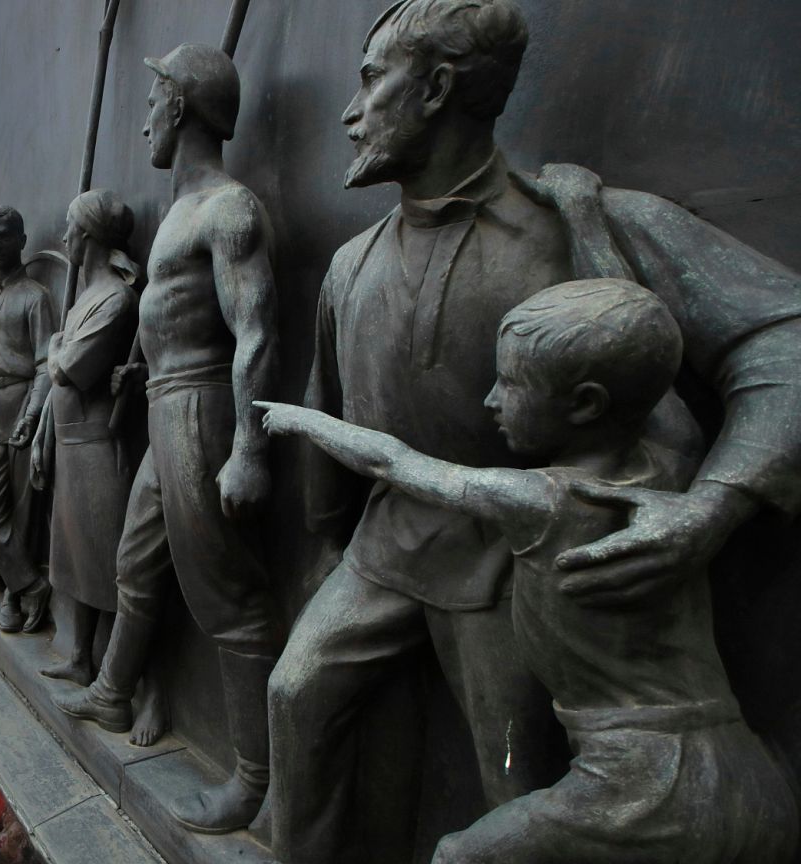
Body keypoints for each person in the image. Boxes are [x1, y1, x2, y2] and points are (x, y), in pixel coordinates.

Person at [269, 1, 801, 860]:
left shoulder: (582, 219)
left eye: (373, 78)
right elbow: (327, 413)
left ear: (439, 86)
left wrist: (716, 504)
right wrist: (325, 542)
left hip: (519, 558)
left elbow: (785, 338)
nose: (349, 108)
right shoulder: (350, 263)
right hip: (388, 541)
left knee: (509, 777)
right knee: (296, 692)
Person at [259, 280, 800, 862]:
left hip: (640, 784)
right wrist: (584, 216)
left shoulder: (539, 502)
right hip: (752, 773)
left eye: (511, 384)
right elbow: (650, 361)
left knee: (459, 856)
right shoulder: (677, 460)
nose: (491, 399)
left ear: (586, 404)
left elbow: (389, 460)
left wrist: (300, 419)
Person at [56, 42, 282, 831]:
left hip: (198, 414)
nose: (146, 117)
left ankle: (254, 778)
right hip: (160, 403)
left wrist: (248, 447)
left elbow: (254, 332)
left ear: (180, 107)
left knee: (229, 597)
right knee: (135, 565)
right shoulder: (181, 212)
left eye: (155, 101)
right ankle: (114, 689)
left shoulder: (228, 209)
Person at [33, 188, 141, 688]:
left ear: (90, 236)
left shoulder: (116, 300)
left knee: (104, 561)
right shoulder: (82, 301)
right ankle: (80, 655)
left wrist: (56, 346)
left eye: (71, 228)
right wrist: (43, 438)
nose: (64, 236)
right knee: (75, 559)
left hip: (98, 449)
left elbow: (68, 369)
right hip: (69, 444)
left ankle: (131, 676)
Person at [0, 206, 55, 632]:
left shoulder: (35, 297)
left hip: (22, 407)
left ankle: (13, 593)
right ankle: (29, 585)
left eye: (5, 237)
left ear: (22, 241)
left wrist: (33, 411)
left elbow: (46, 365)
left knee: (20, 514)